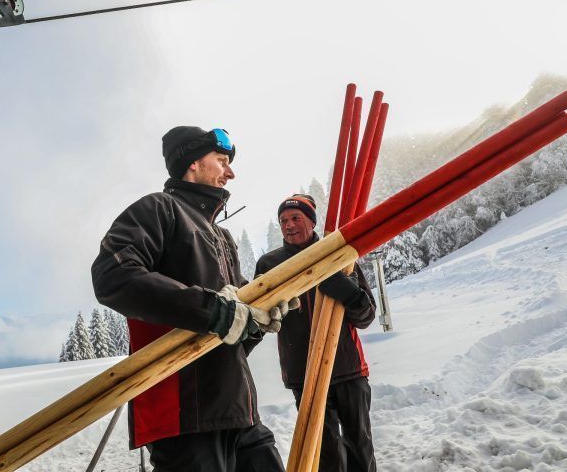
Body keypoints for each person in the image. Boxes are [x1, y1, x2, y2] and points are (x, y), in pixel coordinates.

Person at [92, 126, 296, 472]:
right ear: (193, 164)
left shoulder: (221, 237)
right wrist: (213, 310)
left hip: (239, 411)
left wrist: (257, 319)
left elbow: (231, 332)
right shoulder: (159, 210)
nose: (230, 172)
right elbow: (113, 275)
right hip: (184, 415)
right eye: (221, 161)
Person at [255, 194, 377, 472]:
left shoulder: (339, 257)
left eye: (296, 218)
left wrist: (349, 293)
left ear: (312, 221)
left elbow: (366, 316)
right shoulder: (270, 266)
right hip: (303, 372)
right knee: (324, 451)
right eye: (283, 220)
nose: (288, 225)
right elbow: (259, 318)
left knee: (359, 445)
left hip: (347, 368)